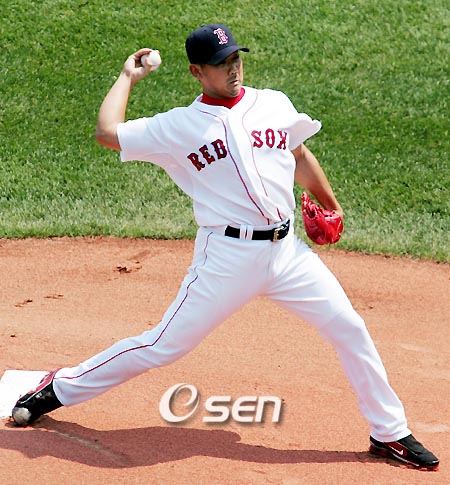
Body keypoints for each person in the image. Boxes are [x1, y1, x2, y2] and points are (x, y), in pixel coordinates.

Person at [12, 24, 439, 470]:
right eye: (221, 64)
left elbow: (298, 154)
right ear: (197, 72)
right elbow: (107, 131)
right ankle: (59, 387)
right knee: (164, 345)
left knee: (349, 327)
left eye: (236, 59)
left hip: (289, 255)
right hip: (227, 260)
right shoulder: (179, 126)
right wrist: (127, 77)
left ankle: (388, 432)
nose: (233, 69)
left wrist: (331, 205)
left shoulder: (272, 103)